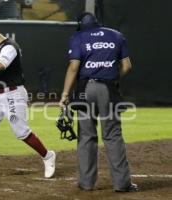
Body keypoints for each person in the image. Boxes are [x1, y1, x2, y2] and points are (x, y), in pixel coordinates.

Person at [0, 22, 56, 179]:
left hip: (13, 94)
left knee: (21, 132)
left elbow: (0, 65)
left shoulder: (10, 46)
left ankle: (48, 156)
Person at [59, 12, 138, 192]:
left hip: (85, 89)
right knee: (113, 135)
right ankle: (122, 184)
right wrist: (112, 78)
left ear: (81, 25)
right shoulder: (116, 35)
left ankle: (86, 183)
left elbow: (73, 67)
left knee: (86, 136)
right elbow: (127, 66)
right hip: (108, 89)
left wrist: (65, 94)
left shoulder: (77, 37)